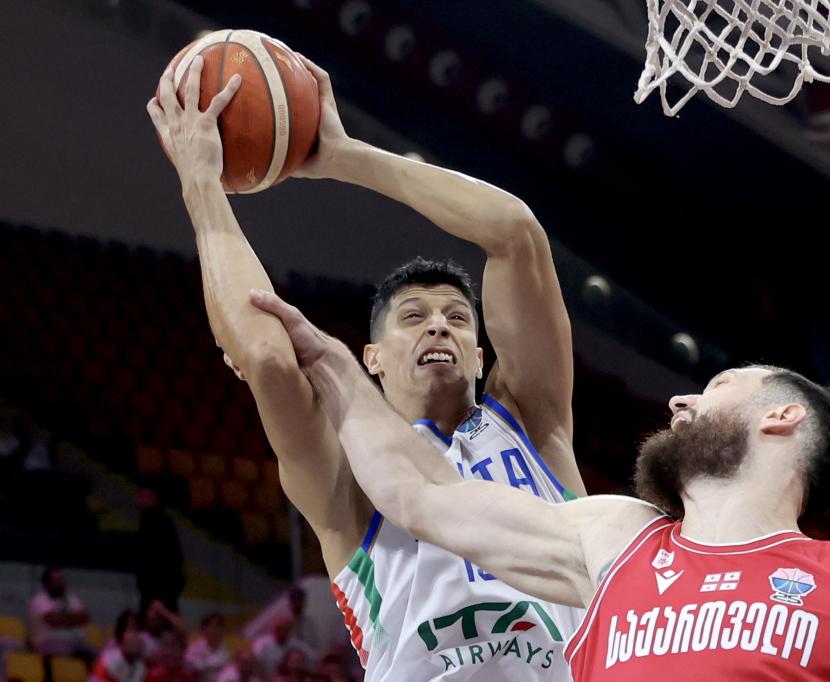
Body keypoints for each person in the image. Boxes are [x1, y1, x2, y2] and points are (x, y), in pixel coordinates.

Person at [248, 291, 830, 681]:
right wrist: (332, 364)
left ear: (782, 417)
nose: (680, 401)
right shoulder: (612, 540)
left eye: (714, 384)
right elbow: (422, 496)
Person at [147, 50, 584, 680]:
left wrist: (343, 157)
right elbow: (267, 357)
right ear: (369, 358)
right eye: (414, 317)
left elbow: (515, 232)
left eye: (458, 319)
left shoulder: (534, 427)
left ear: (481, 355)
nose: (439, 325)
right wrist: (201, 185)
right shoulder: (349, 475)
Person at [135, 488, 186, 614]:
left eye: (140, 496)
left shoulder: (152, 518)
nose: (136, 500)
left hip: (157, 585)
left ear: (151, 498)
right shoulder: (162, 519)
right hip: (165, 584)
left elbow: (149, 553)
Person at [29, 567, 95, 660]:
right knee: (77, 657)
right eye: (55, 580)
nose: (60, 583)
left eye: (60, 579)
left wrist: (62, 618)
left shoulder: (71, 598)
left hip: (76, 643)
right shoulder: (40, 600)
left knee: (100, 658)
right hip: (50, 643)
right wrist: (75, 618)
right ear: (47, 584)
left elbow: (86, 618)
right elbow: (53, 621)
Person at [185, 613, 231, 682]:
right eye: (212, 626)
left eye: (219, 626)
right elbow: (192, 670)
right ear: (203, 630)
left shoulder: (225, 650)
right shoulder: (193, 649)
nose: (216, 630)